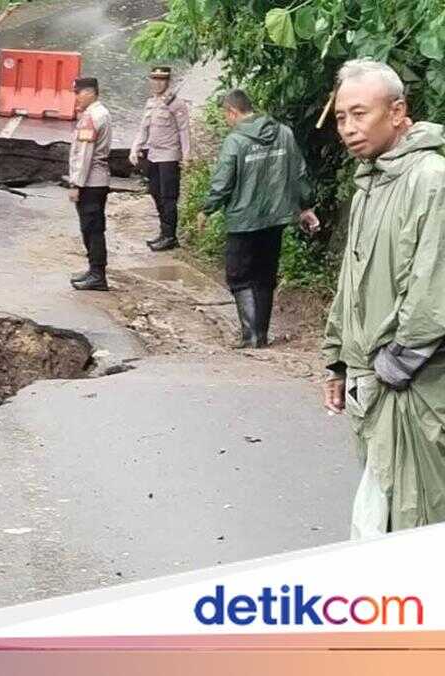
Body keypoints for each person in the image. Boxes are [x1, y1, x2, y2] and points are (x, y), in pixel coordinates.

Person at [321, 59, 445, 538]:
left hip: (414, 384)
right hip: (371, 381)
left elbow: (433, 286)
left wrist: (394, 366)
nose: (349, 129)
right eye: (340, 118)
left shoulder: (430, 178)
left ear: (397, 112)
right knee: (382, 516)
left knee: (417, 517)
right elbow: (353, 282)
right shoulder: (371, 181)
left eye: (359, 114)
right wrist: (336, 361)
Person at [196, 89, 317, 347]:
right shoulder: (284, 133)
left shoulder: (236, 141)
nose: (227, 121)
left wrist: (207, 208)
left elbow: (223, 181)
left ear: (232, 112)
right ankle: (260, 334)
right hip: (275, 218)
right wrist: (305, 206)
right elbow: (299, 172)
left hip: (243, 220)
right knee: (265, 274)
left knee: (239, 275)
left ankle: (250, 336)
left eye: (226, 116)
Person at [129, 65, 191, 252]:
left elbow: (184, 130)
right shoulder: (151, 103)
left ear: (168, 81)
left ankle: (170, 236)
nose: (157, 83)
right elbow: (143, 128)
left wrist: (187, 156)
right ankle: (163, 232)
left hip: (169, 156)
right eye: (154, 79)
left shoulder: (176, 104)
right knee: (155, 193)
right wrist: (135, 148)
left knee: (168, 197)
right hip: (153, 155)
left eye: (161, 80)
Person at [67, 77, 112, 291]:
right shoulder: (99, 113)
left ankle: (97, 275)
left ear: (90, 93)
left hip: (90, 182)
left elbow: (84, 155)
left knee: (92, 229)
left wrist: (76, 184)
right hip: (96, 180)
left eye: (78, 93)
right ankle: (93, 271)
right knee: (92, 227)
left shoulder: (92, 117)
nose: (76, 97)